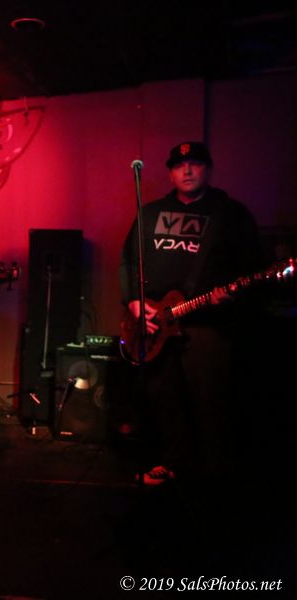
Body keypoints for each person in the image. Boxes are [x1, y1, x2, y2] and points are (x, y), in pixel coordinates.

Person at [119, 141, 262, 488]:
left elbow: (252, 267)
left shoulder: (231, 214)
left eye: (195, 163)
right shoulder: (150, 213)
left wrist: (233, 295)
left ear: (208, 169)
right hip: (158, 325)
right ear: (170, 173)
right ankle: (173, 464)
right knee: (164, 398)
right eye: (179, 165)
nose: (187, 170)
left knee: (210, 401)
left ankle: (214, 477)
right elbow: (128, 261)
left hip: (207, 325)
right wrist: (134, 301)